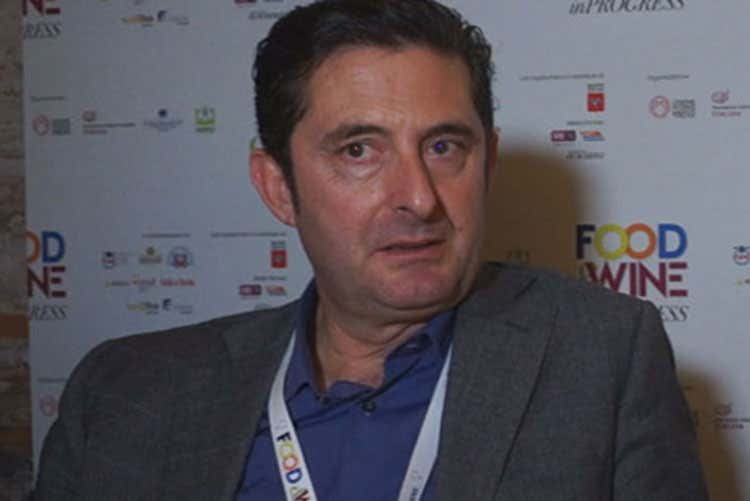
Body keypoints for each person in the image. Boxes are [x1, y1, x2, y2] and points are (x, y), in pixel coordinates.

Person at [36, 0, 709, 500]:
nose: (419, 197)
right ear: (278, 187)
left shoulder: (602, 357)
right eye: (359, 150)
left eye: (443, 146)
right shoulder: (126, 391)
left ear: (488, 162)